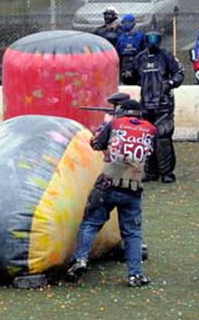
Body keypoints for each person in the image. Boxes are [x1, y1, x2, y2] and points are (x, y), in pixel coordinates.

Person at [65, 99, 156, 287]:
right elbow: (149, 153)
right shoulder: (151, 129)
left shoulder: (114, 124)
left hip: (107, 185)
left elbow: (96, 144)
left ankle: (80, 260)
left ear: (122, 112)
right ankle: (135, 275)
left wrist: (103, 127)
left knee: (91, 222)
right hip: (133, 188)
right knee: (132, 233)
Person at [132, 30, 184, 183]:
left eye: (155, 39)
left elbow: (179, 73)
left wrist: (170, 83)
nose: (153, 42)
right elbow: (133, 76)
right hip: (146, 103)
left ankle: (167, 173)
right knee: (147, 137)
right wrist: (127, 76)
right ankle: (150, 172)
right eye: (150, 39)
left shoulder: (166, 56)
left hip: (164, 104)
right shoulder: (139, 58)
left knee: (163, 137)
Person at [116, 14, 145, 85]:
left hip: (137, 63)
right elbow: (118, 53)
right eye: (125, 22)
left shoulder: (140, 35)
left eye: (129, 22)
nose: (127, 24)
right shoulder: (121, 37)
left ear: (133, 23)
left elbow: (144, 51)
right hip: (125, 64)